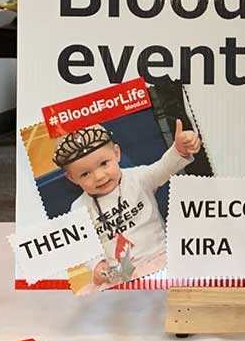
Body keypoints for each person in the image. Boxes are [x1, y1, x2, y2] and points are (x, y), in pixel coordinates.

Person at [52, 121, 202, 285]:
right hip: (121, 277)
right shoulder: (79, 207)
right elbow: (85, 246)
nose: (99, 176)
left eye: (104, 164)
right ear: (72, 178)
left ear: (116, 153)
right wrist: (97, 266)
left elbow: (163, 168)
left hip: (161, 259)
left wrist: (178, 150)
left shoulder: (138, 178)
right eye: (85, 174)